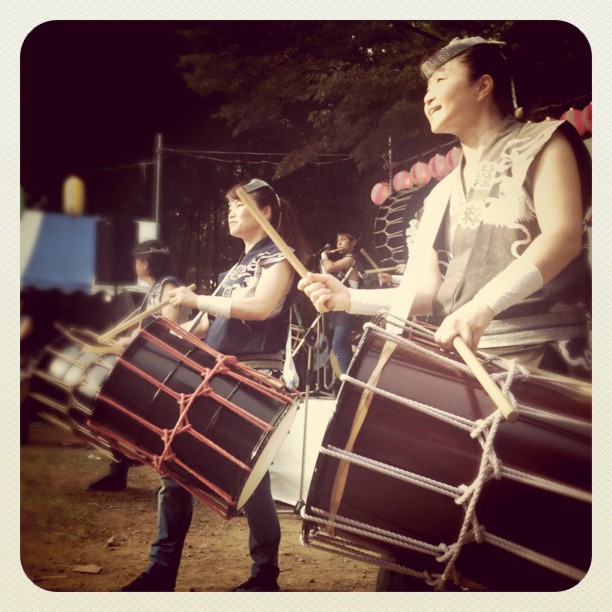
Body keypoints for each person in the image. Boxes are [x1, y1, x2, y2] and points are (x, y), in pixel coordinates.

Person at [298, 36, 591, 590]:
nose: (428, 95)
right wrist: (347, 299)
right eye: (425, 86)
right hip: (463, 369)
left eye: (440, 80)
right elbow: (424, 291)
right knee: (420, 541)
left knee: (524, 538)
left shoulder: (544, 142)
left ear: (484, 86)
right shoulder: (438, 193)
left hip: (540, 363)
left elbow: (562, 237)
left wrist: (482, 307)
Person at [116, 178, 309, 592]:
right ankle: (160, 571)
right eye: (229, 207)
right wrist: (157, 339)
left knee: (250, 479)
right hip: (213, 375)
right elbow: (205, 325)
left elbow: (261, 308)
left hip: (253, 376)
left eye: (239, 205)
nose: (231, 212)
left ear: (267, 213)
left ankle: (264, 576)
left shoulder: (281, 256)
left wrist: (197, 300)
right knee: (174, 466)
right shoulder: (237, 268)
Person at [87, 240, 189, 491]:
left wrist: (136, 342)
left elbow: (167, 330)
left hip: (166, 365)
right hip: (150, 360)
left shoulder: (169, 285)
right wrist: (127, 339)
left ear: (145, 262)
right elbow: (148, 327)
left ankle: (174, 479)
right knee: (113, 405)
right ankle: (118, 469)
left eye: (136, 260)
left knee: (163, 421)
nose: (134, 265)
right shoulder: (157, 286)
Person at [319, 231, 363, 374]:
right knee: (344, 346)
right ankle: (352, 380)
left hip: (347, 307)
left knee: (338, 345)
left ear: (353, 242)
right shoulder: (343, 262)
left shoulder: (351, 258)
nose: (339, 243)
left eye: (343, 239)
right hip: (341, 308)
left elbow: (330, 267)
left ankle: (348, 383)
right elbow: (326, 273)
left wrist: (324, 256)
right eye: (337, 240)